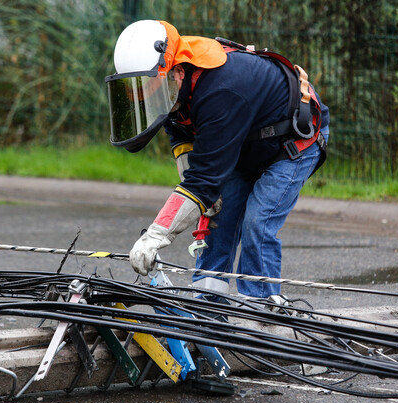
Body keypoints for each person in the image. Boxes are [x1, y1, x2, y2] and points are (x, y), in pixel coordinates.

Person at [105, 20, 329, 300]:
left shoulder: (220, 91)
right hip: (245, 141)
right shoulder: (173, 85)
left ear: (176, 72)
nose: (150, 99)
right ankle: (208, 309)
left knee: (257, 223)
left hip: (292, 141)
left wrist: (155, 236)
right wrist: (201, 195)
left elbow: (203, 182)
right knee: (217, 219)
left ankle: (260, 311)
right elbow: (180, 132)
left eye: (154, 89)